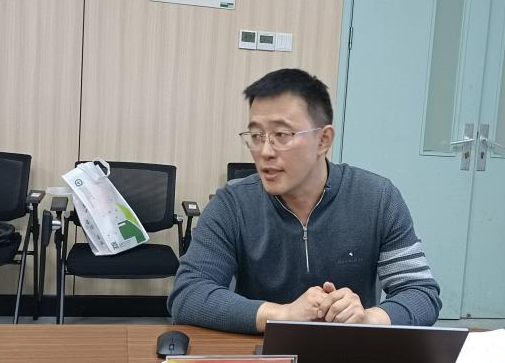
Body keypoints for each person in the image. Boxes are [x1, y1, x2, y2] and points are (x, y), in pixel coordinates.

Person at [169, 68, 441, 333]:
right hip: (261, 353)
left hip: (350, 351)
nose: (265, 151)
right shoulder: (233, 204)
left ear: (323, 140)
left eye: (281, 135)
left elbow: (420, 292)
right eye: (257, 136)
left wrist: (368, 319)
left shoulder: (377, 198)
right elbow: (188, 293)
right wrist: (283, 315)